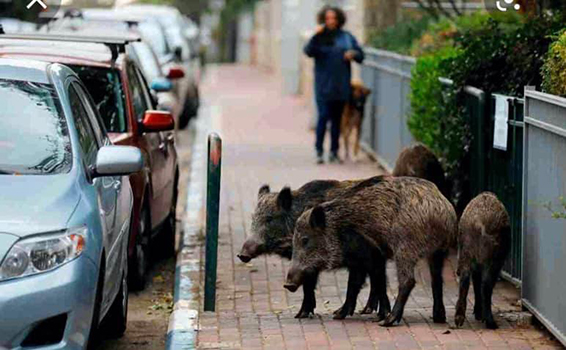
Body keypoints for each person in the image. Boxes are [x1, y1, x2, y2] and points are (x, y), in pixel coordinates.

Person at [304, 6, 364, 164]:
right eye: (328, 18)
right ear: (323, 19)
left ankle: (334, 151)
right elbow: (308, 51)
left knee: (337, 120)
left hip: (341, 84)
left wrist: (353, 54)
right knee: (323, 117)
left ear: (339, 20)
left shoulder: (347, 37)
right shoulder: (319, 37)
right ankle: (319, 150)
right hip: (323, 85)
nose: (331, 21)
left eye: (334, 18)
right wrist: (315, 35)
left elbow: (360, 55)